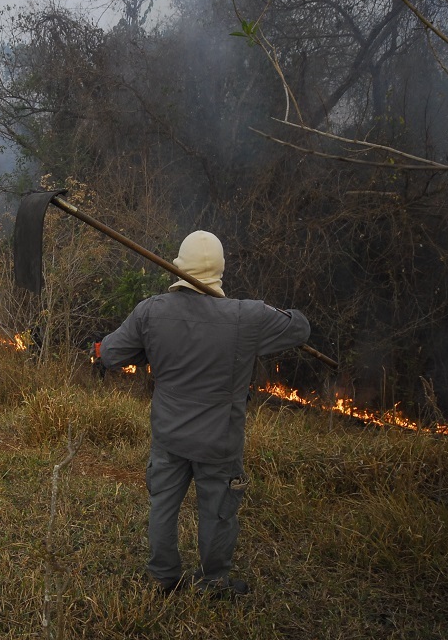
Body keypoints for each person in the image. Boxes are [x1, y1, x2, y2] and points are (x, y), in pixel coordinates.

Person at [99, 230, 310, 598]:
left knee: (162, 505)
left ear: (179, 266)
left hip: (169, 437)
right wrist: (268, 313)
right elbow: (299, 326)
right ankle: (213, 583)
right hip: (220, 443)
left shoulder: (151, 311)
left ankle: (163, 578)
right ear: (221, 270)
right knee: (218, 514)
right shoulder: (248, 316)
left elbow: (110, 354)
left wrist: (146, 351)